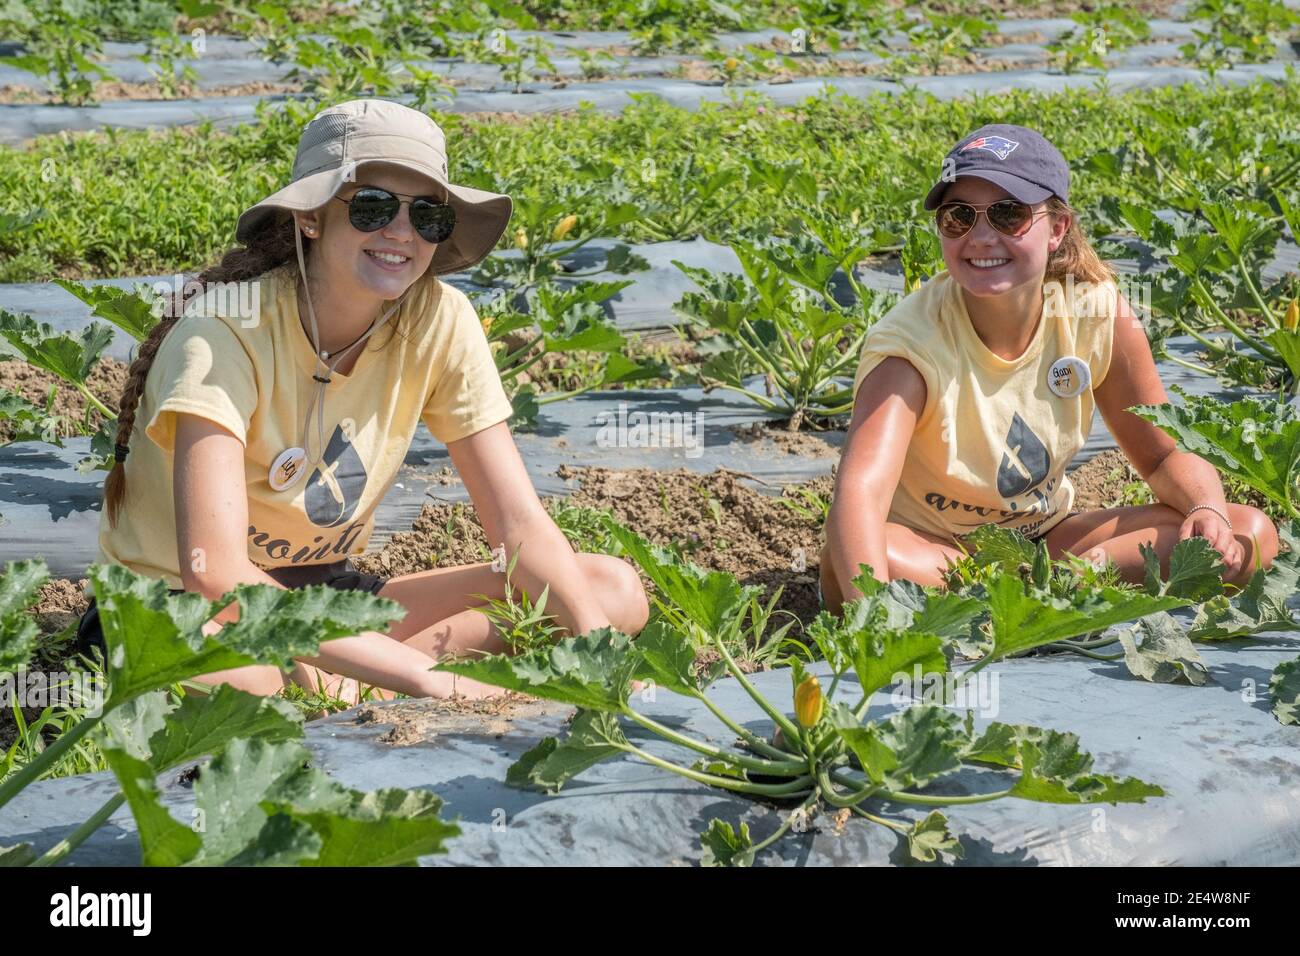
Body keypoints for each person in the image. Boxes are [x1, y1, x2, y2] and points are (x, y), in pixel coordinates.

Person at [76, 98, 648, 700]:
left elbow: (518, 524)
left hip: (326, 596)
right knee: (241, 680)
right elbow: (212, 573)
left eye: (428, 216)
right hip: (182, 606)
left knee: (609, 591)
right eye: (373, 207)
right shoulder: (223, 334)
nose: (401, 232)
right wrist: (434, 684)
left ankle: (357, 684)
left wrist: (595, 660)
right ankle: (397, 681)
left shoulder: (440, 319)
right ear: (311, 218)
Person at [821, 123, 1279, 611]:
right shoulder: (909, 348)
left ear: (1057, 228)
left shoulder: (1095, 314)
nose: (980, 237)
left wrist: (1206, 508)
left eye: (1007, 215)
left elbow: (1163, 458)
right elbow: (859, 495)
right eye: (959, 217)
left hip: (1046, 543)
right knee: (863, 563)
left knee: (1248, 535)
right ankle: (1062, 595)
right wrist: (869, 617)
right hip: (940, 555)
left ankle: (1040, 593)